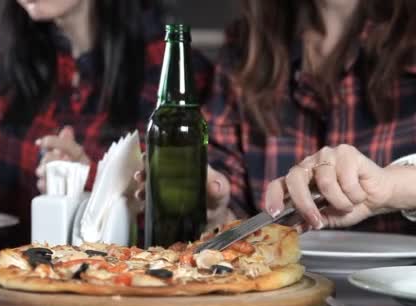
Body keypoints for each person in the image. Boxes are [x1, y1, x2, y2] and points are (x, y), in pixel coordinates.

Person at [0, 0, 213, 244]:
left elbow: (192, 214)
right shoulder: (1, 50)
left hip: (121, 287)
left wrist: (89, 181)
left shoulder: (173, 70)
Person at [136, 0, 416, 235]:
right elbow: (232, 211)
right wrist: (211, 208)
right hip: (276, 293)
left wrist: (390, 187)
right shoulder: (246, 48)